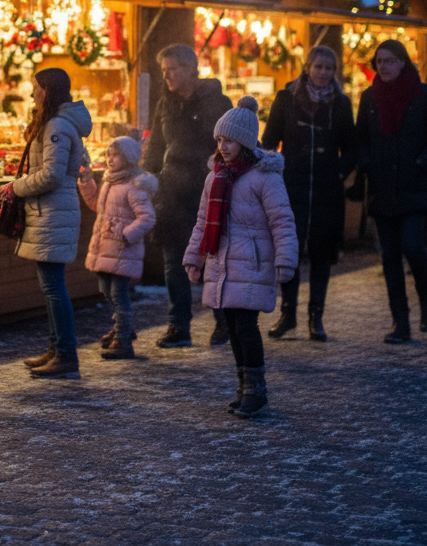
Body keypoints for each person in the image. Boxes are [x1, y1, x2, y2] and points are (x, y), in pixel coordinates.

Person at [183, 97, 299, 418]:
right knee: (232, 327)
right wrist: (194, 257)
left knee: (247, 327)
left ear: (246, 141)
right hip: (223, 265)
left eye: (229, 140)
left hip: (253, 264)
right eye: (219, 139)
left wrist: (286, 259)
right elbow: (203, 220)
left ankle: (256, 389)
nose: (222, 146)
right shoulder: (215, 177)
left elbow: (282, 220)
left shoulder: (265, 177)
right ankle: (244, 385)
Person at [0, 68, 92, 379]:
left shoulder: (57, 126)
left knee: (53, 286)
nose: (32, 93)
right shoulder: (59, 123)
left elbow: (51, 174)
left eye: (36, 88)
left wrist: (16, 187)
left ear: (48, 91)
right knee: (50, 284)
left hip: (53, 211)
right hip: (51, 211)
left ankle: (65, 353)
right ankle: (57, 348)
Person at [355, 40, 427, 344]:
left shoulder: (424, 95)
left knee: (413, 247)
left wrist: (422, 163)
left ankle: (426, 301)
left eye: (390, 60)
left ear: (403, 63)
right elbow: (362, 139)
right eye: (379, 61)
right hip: (382, 189)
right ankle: (401, 323)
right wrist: (368, 163)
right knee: (390, 258)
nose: (383, 66)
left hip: (413, 187)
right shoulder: (370, 98)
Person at [261, 45, 357, 342]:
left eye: (329, 68)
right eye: (318, 67)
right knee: (289, 251)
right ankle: (288, 314)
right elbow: (269, 140)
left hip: (327, 190)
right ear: (307, 68)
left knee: (321, 253)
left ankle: (316, 317)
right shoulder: (286, 98)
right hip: (292, 186)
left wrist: (339, 172)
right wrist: (274, 170)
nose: (323, 73)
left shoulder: (340, 103)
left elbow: (352, 147)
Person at [144, 43, 232, 348]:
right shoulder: (164, 103)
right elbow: (156, 145)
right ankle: (178, 326)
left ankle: (223, 323)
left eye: (172, 69)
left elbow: (231, 144)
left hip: (206, 190)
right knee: (174, 260)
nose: (166, 76)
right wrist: (146, 178)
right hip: (171, 190)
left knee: (212, 260)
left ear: (190, 69)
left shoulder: (217, 102)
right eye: (163, 70)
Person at [78, 136, 157, 359]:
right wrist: (86, 180)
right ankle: (123, 327)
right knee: (106, 290)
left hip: (123, 249)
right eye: (108, 155)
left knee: (118, 294)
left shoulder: (134, 186)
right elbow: (97, 205)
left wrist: (126, 234)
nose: (110, 160)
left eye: (116, 155)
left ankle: (123, 341)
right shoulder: (110, 181)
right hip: (105, 247)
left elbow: (147, 218)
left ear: (129, 158)